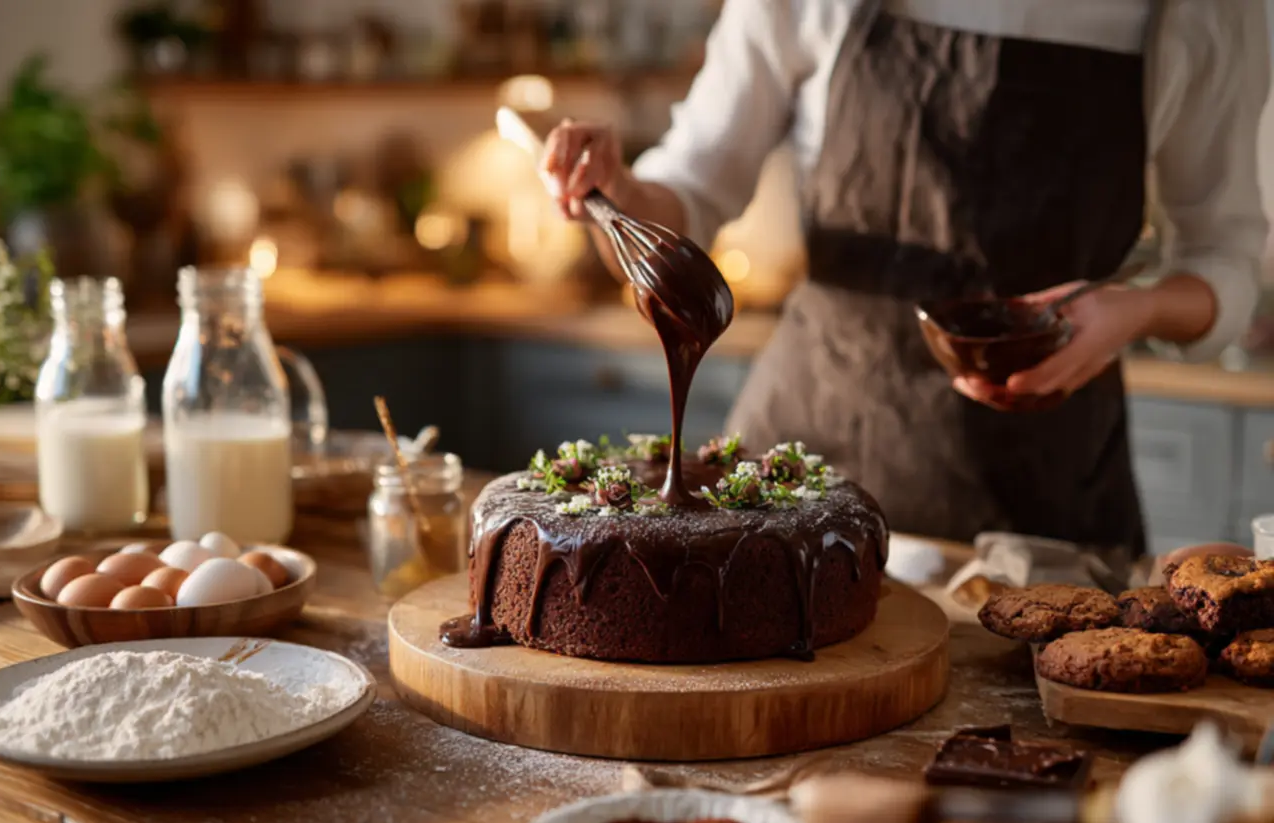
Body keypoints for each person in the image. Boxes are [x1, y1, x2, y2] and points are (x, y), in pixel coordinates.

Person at [537, 0, 1269, 558]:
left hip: (1046, 503)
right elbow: (688, 193)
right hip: (808, 457)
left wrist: (1135, 310)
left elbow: (1224, 257)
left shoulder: (1194, 13)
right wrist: (613, 194)